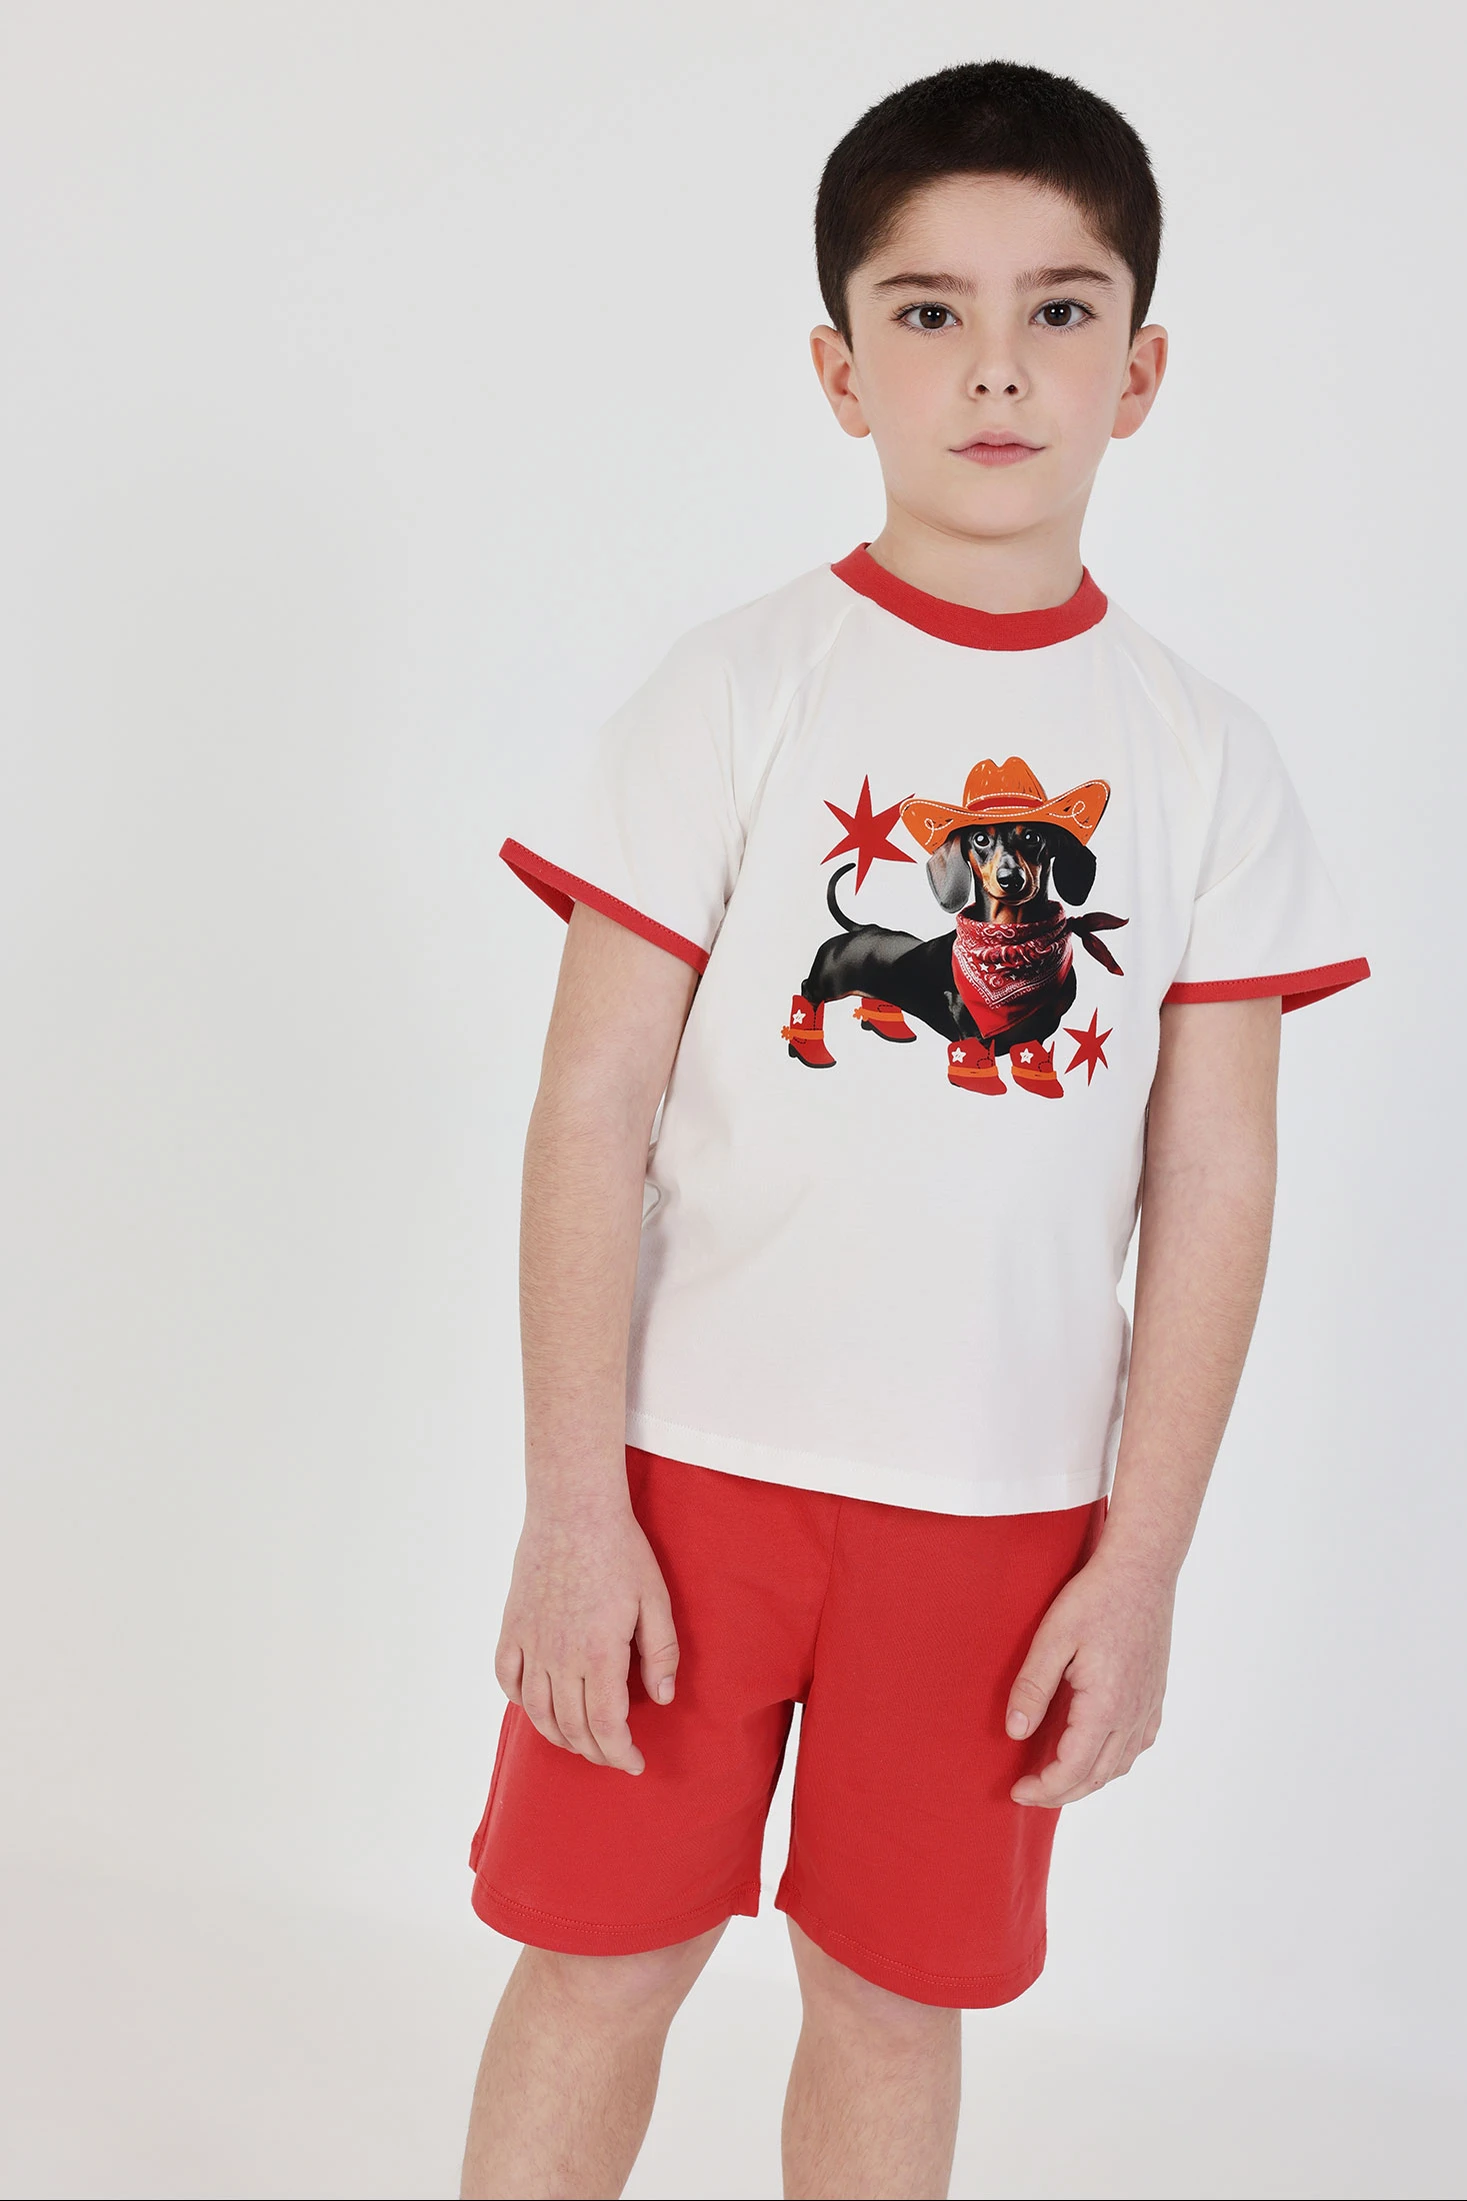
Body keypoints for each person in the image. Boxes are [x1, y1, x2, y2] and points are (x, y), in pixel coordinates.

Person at [458, 58, 1369, 2201]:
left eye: (1058, 310)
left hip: (998, 1516)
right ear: (838, 366)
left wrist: (1138, 1567)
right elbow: (589, 1104)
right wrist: (572, 1504)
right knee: (598, 1959)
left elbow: (1213, 1177)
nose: (995, 366)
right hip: (684, 1480)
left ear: (1139, 369)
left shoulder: (1205, 756)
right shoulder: (735, 686)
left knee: (891, 1998)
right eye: (928, 310)